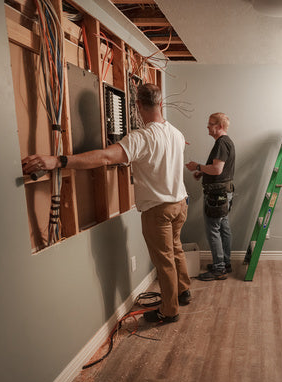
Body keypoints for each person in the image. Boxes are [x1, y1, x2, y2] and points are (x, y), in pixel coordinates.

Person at [22, 83, 191, 325]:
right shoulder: (176, 133)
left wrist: (58, 161)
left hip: (158, 210)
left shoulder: (141, 138)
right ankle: (183, 290)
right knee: (176, 249)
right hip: (179, 204)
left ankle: (169, 310)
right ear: (161, 104)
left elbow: (104, 156)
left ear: (138, 106)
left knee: (164, 261)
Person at [186, 112, 235, 281]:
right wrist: (202, 172)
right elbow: (218, 170)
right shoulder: (226, 142)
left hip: (216, 195)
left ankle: (219, 268)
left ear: (219, 126)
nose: (207, 126)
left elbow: (217, 170)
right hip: (224, 193)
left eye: (210, 123)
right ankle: (225, 263)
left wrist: (196, 166)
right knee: (224, 228)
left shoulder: (221, 143)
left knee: (213, 230)